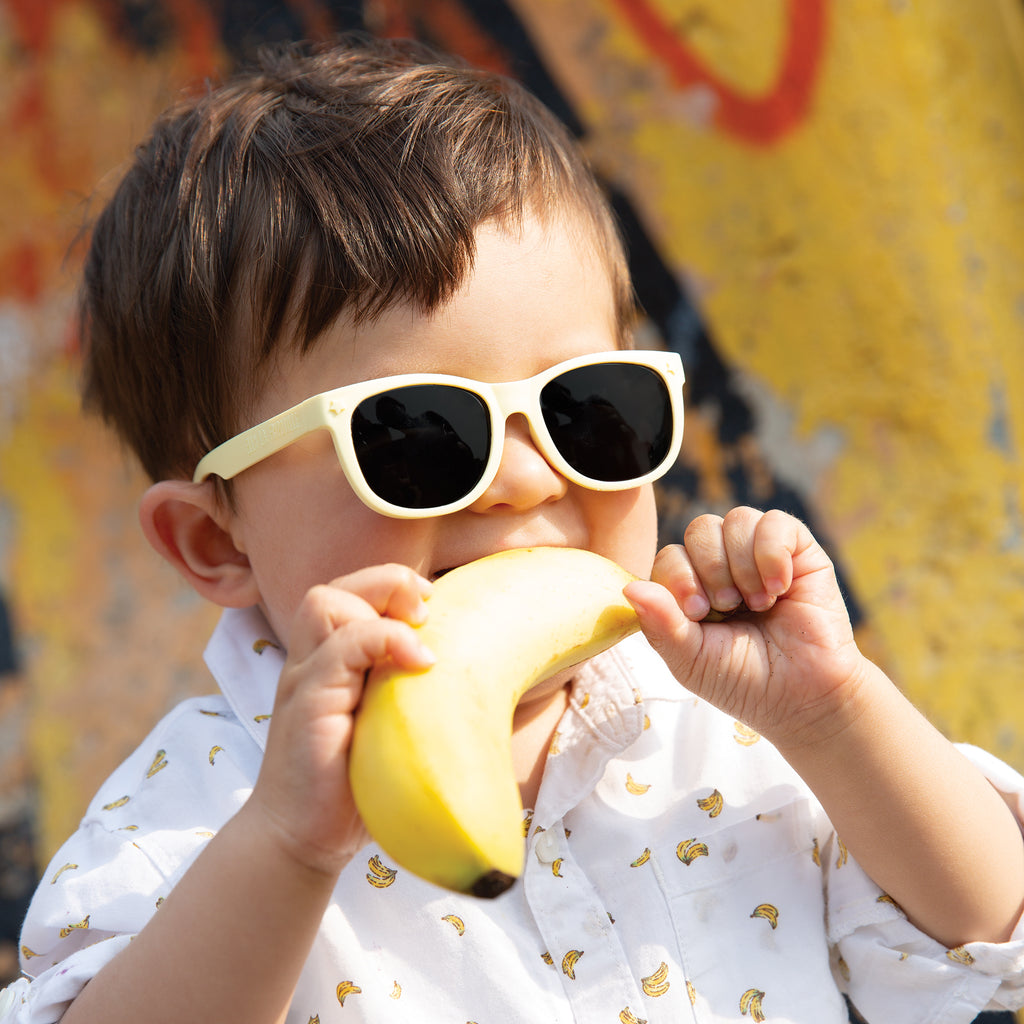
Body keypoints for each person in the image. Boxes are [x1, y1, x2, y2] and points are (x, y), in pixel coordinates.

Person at [3, 33, 1024, 1024]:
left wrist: (835, 714)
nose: (527, 478)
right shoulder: (191, 817)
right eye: (418, 433)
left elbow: (987, 932)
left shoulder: (736, 727)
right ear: (215, 541)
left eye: (591, 408)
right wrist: (286, 847)